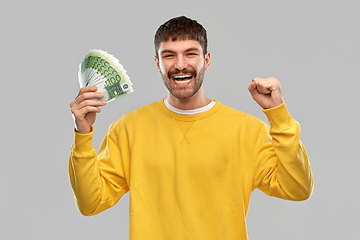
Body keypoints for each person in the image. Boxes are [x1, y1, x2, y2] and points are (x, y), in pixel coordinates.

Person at [69, 16, 313, 240]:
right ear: (157, 63)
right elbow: (90, 203)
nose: (180, 64)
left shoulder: (247, 130)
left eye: (190, 54)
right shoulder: (127, 128)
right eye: (169, 55)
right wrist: (83, 134)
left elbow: (298, 188)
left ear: (206, 60)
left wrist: (278, 115)